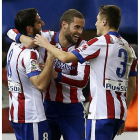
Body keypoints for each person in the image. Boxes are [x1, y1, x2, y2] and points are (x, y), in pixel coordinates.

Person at [33, 5, 137, 140]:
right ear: (64, 25)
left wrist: (47, 47)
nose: (95, 24)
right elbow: (132, 86)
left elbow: (66, 60)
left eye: (97, 20)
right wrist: (123, 117)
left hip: (99, 112)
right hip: (119, 112)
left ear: (104, 21)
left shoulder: (98, 43)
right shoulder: (129, 48)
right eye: (77, 27)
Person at [7, 9, 90, 140]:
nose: (79, 32)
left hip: (72, 109)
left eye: (82, 28)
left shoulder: (84, 47)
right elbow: (11, 31)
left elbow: (82, 81)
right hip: (48, 107)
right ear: (64, 25)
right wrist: (21, 38)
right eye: (77, 27)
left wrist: (55, 75)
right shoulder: (46, 37)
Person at [7, 8, 55, 140]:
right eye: (39, 22)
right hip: (31, 117)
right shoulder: (30, 53)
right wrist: (51, 57)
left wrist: (20, 37)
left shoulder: (14, 44)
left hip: (16, 114)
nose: (43, 24)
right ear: (29, 29)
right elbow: (40, 85)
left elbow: (10, 32)